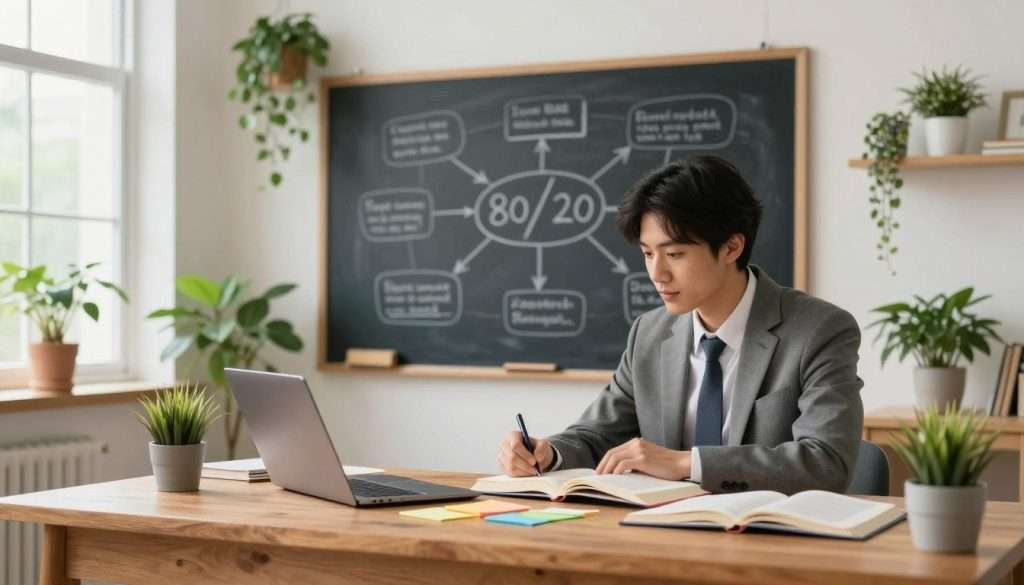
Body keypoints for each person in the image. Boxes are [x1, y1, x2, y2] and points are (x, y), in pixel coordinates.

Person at [497, 156, 863, 494]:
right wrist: (548, 452)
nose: (657, 273)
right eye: (647, 254)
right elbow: (597, 435)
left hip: (767, 542)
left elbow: (827, 462)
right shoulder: (649, 333)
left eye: (674, 254)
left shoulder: (819, 330)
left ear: (732, 247)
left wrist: (685, 463)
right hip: (664, 537)